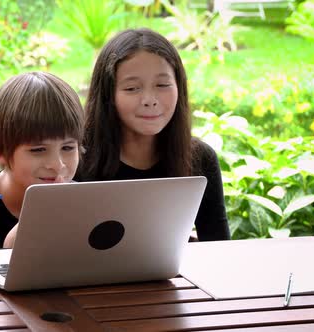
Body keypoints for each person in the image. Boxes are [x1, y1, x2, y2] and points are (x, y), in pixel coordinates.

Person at [78, 28, 230, 241]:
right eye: (132, 88)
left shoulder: (200, 158)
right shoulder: (77, 158)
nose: (149, 99)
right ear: (108, 95)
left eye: (162, 85)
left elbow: (218, 248)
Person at [0, 72, 85, 249]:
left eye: (68, 148)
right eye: (38, 150)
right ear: (1, 151)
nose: (57, 165)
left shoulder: (86, 205)